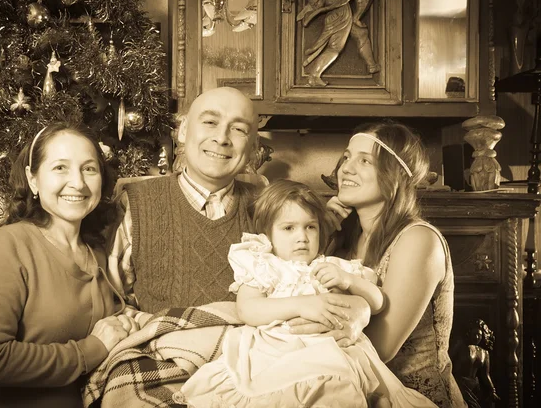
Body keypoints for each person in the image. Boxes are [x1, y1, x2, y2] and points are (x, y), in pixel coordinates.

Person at [106, 86, 371, 348]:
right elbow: (113, 303)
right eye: (210, 122)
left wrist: (360, 309)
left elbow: (312, 277)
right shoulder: (137, 202)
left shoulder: (270, 205)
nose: (222, 138)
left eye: (239, 129)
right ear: (184, 130)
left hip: (255, 354)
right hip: (163, 351)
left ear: (253, 145)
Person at [179, 179, 435, 407]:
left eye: (310, 227)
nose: (301, 237)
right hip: (277, 352)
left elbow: (378, 302)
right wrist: (302, 305)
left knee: (336, 389)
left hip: (331, 353)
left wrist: (350, 282)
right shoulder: (266, 266)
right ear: (267, 236)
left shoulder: (331, 267)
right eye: (289, 228)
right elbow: (247, 309)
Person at [0, 123, 138, 408]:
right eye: (60, 168)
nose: (78, 183)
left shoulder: (98, 251)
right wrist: (91, 350)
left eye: (89, 169)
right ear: (33, 180)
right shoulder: (7, 247)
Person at [318, 120, 467, 407]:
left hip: (415, 398)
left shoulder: (418, 240)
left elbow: (382, 347)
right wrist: (320, 232)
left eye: (365, 161)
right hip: (356, 390)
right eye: (347, 157)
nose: (345, 168)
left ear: (395, 176)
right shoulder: (344, 238)